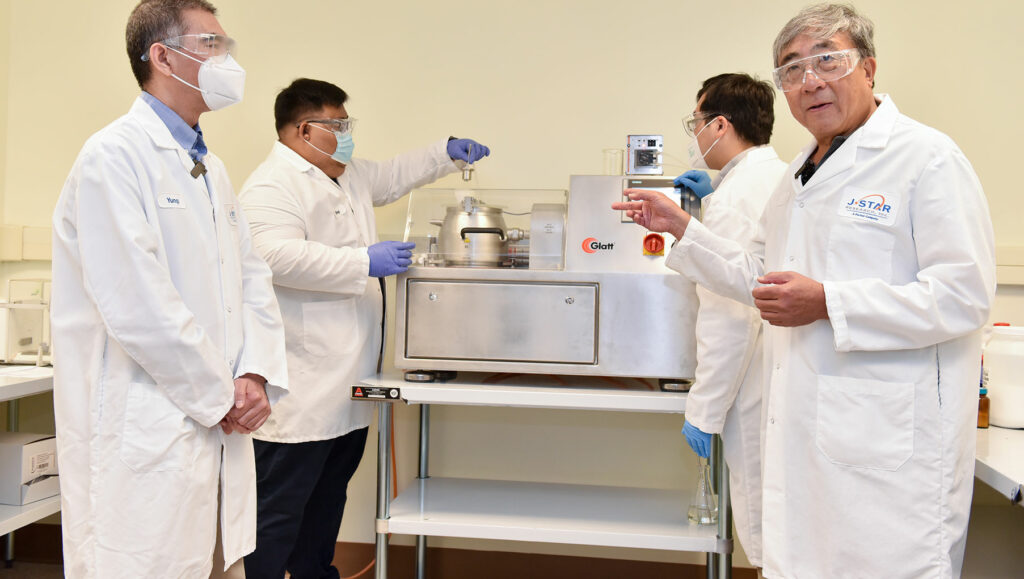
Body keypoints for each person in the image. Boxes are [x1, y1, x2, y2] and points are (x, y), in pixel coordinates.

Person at [614, 4, 995, 577]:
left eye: (827, 60)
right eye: (791, 70)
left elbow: (963, 296)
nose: (809, 80)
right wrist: (681, 228)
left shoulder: (927, 159)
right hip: (807, 442)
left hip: (888, 459)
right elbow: (760, 280)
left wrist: (828, 302)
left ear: (868, 68)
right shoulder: (797, 178)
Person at [50, 1, 289, 576]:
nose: (227, 60)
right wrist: (221, 394)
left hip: (212, 418)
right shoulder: (112, 157)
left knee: (209, 561)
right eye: (212, 45)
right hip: (147, 424)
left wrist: (254, 372)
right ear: (162, 56)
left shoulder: (211, 167)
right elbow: (138, 305)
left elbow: (251, 278)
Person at [238, 77, 490, 579]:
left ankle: (313, 573)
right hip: (300, 388)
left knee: (327, 501)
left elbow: (396, 175)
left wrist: (446, 153)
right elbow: (272, 257)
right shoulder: (271, 185)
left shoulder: (343, 173)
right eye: (338, 125)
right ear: (304, 129)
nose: (347, 134)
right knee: (279, 511)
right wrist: (361, 261)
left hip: (350, 385)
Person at [673, 73, 786, 572]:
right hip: (776, 372)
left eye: (696, 122)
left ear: (720, 124)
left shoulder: (740, 195)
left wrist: (704, 408)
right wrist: (714, 194)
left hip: (753, 382)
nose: (695, 134)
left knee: (764, 520)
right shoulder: (767, 176)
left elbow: (730, 316)